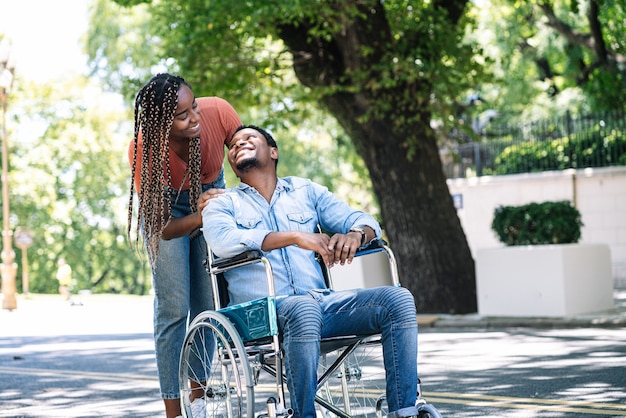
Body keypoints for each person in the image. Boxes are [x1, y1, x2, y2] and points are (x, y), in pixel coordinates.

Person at [203, 125, 421, 418]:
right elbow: (223, 241)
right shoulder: (223, 203)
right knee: (302, 308)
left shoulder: (305, 191)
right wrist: (294, 236)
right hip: (256, 314)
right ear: (232, 164)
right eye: (234, 145)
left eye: (249, 138)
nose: (239, 144)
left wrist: (356, 235)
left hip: (319, 304)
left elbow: (362, 219)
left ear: (273, 151)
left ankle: (404, 411)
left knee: (398, 300)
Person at [126, 73, 242, 418]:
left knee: (208, 304)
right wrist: (200, 216)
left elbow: (252, 159)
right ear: (161, 124)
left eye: (194, 107)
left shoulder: (218, 112)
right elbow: (163, 229)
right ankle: (173, 411)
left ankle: (198, 399)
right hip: (168, 212)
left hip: (213, 196)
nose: (195, 118)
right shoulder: (144, 150)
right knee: (174, 306)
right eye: (182, 115)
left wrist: (231, 203)